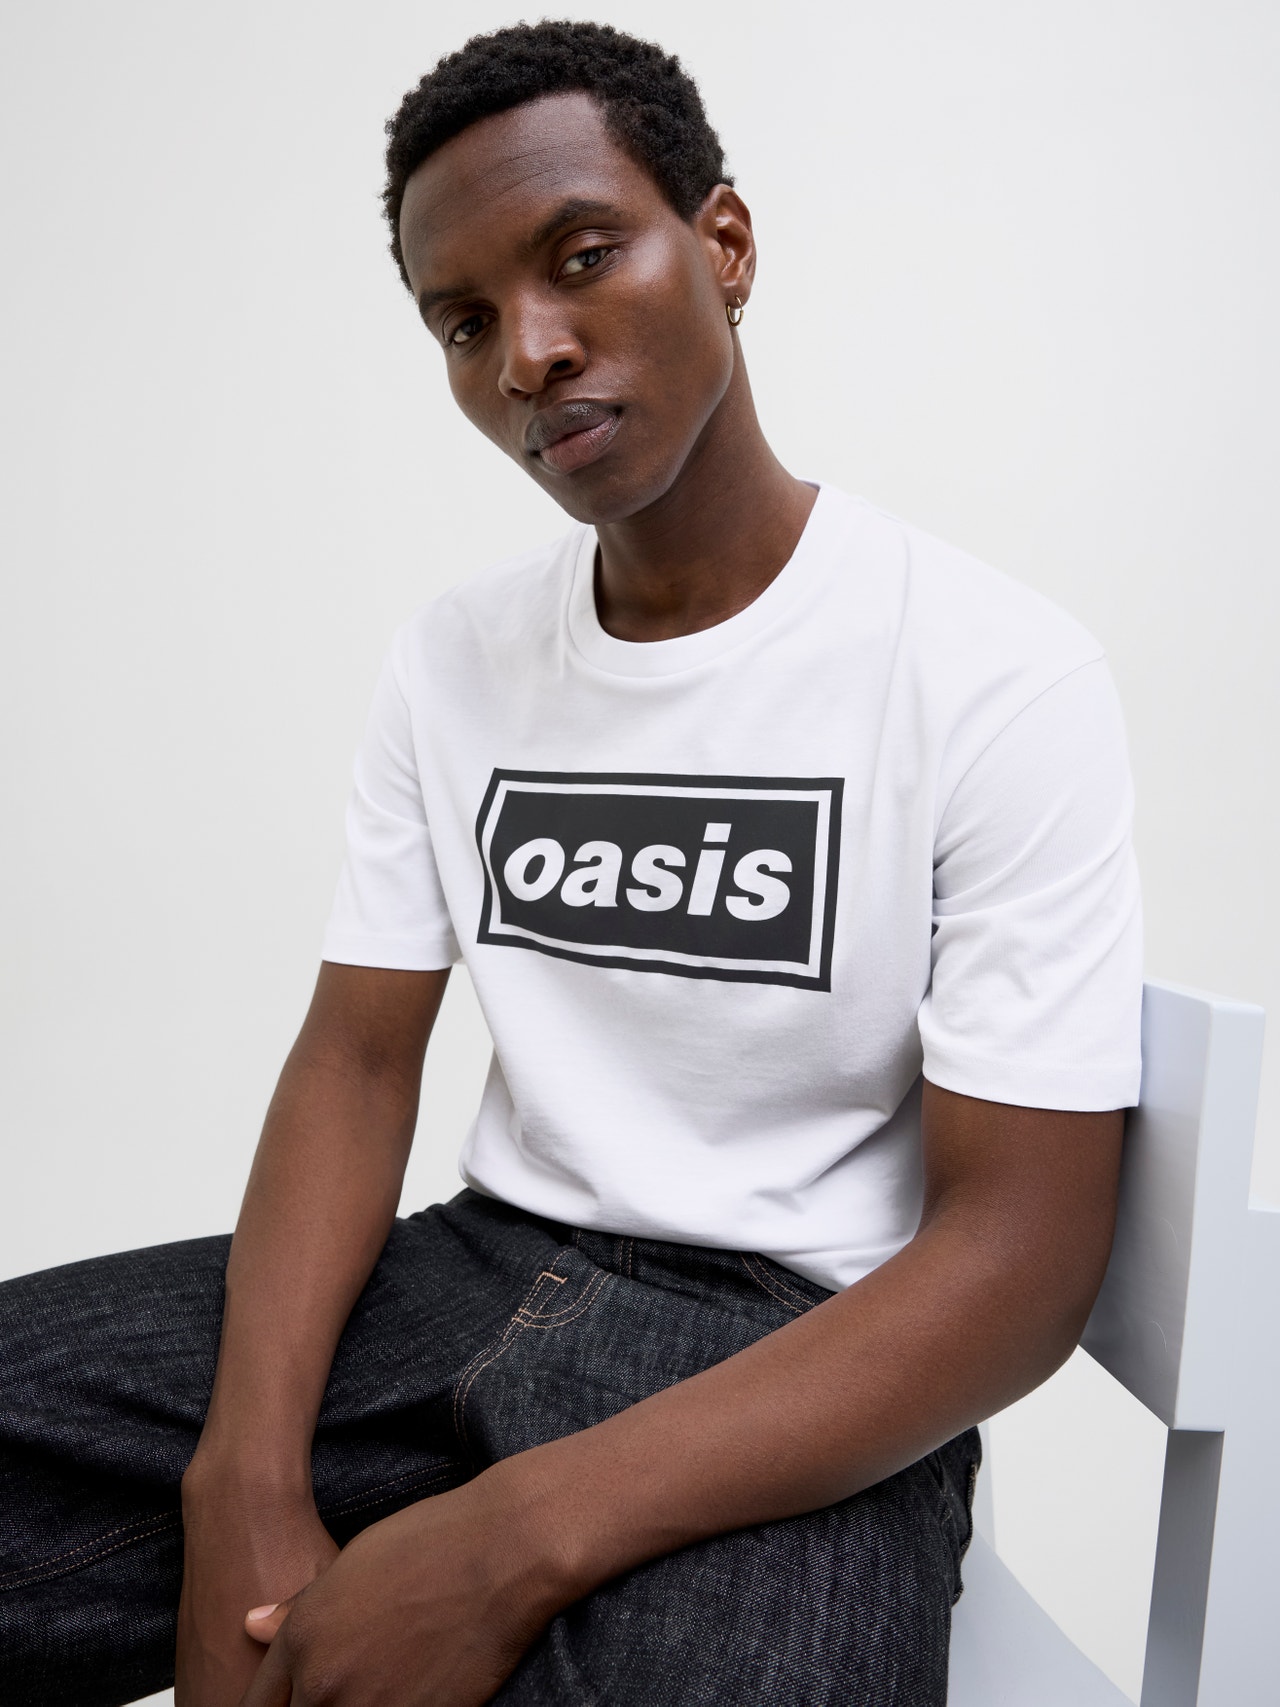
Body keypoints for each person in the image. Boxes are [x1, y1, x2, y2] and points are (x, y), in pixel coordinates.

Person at [0, 19, 1142, 1707]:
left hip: (794, 1350)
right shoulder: (452, 657)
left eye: (582, 256)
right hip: (465, 1275)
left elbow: (1017, 1260)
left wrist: (506, 1541)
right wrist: (242, 1481)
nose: (526, 354)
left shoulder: (991, 671)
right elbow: (354, 1060)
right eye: (462, 322)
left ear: (724, 245)